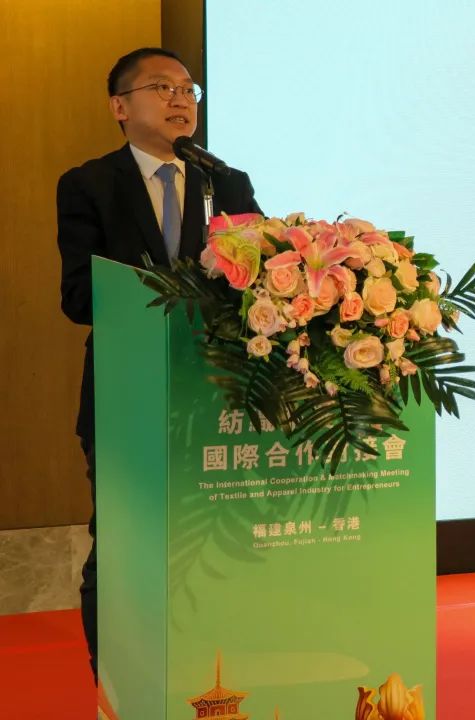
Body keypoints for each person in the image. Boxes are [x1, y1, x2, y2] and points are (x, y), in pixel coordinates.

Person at [56, 47, 262, 682]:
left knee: (212, 541)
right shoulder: (90, 184)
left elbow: (258, 284)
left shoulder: (226, 183)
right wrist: (172, 290)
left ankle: (206, 670)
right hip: (128, 392)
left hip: (216, 390)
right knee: (123, 543)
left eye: (188, 89)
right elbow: (78, 297)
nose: (181, 99)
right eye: (162, 87)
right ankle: (118, 682)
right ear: (119, 107)